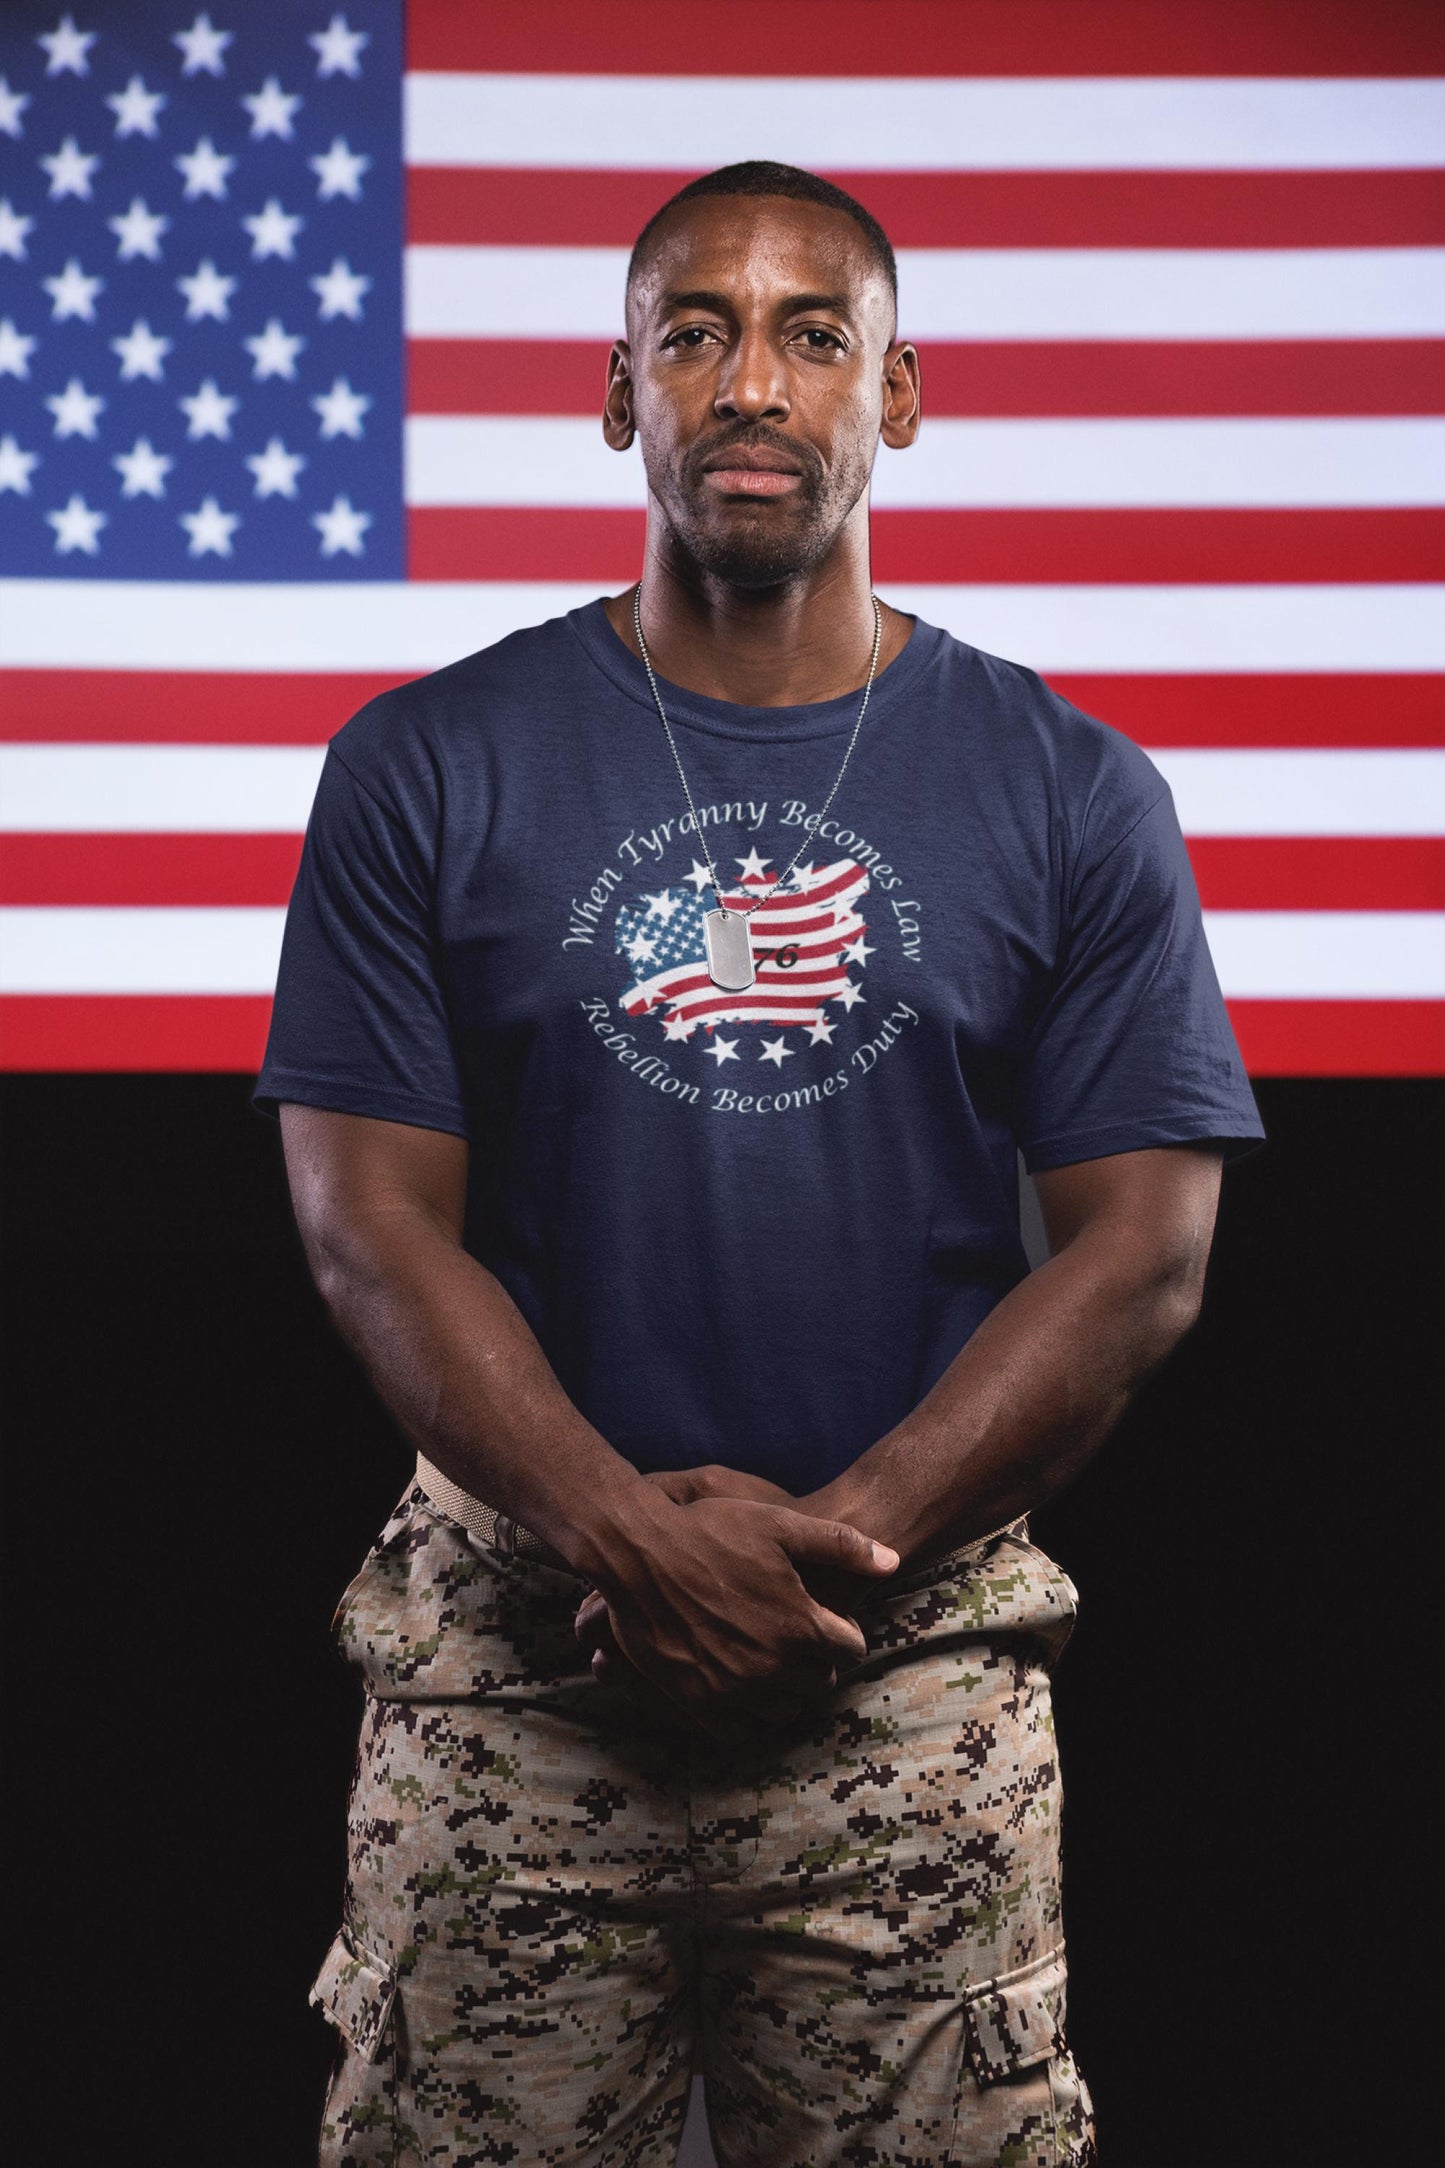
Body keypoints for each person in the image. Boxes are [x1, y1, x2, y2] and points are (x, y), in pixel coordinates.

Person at [253, 161, 1265, 2168]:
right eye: (694, 329)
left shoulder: (1070, 787)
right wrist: (626, 1536)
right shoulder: (426, 764)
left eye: (818, 334)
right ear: (614, 390)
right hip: (518, 1683)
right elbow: (369, 1226)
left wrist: (839, 1552)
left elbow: (1143, 1250)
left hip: (903, 1682)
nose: (751, 381)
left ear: (899, 398)